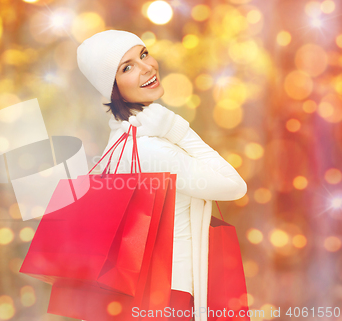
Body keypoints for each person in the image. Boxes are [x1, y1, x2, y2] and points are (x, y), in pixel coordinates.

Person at [77, 30, 247, 321]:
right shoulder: (150, 148)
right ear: (111, 86)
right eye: (126, 67)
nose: (146, 68)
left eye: (143, 54)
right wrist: (177, 128)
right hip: (170, 296)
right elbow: (235, 186)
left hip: (139, 296)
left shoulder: (118, 142)